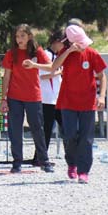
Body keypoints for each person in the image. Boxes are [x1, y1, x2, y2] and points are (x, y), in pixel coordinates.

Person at [51, 24, 107, 184]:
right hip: (68, 102)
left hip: (88, 102)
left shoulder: (92, 53)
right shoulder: (65, 53)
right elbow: (54, 67)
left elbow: (102, 76)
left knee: (86, 138)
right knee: (69, 135)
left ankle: (84, 171)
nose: (84, 45)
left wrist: (101, 96)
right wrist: (68, 51)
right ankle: (72, 164)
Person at [1, 24, 54, 173]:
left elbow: (51, 67)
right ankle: (17, 162)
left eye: (22, 36)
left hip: (33, 96)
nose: (19, 39)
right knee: (15, 130)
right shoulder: (11, 53)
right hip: (14, 96)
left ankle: (44, 161)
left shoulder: (37, 51)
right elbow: (6, 76)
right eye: (17, 36)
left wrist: (34, 65)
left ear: (29, 36)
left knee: (37, 129)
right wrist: (3, 98)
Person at [36, 30, 64, 162]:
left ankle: (73, 155)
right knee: (46, 129)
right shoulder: (46, 55)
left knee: (65, 126)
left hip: (57, 98)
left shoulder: (56, 55)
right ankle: (40, 157)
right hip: (47, 98)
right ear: (57, 41)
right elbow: (42, 75)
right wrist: (59, 72)